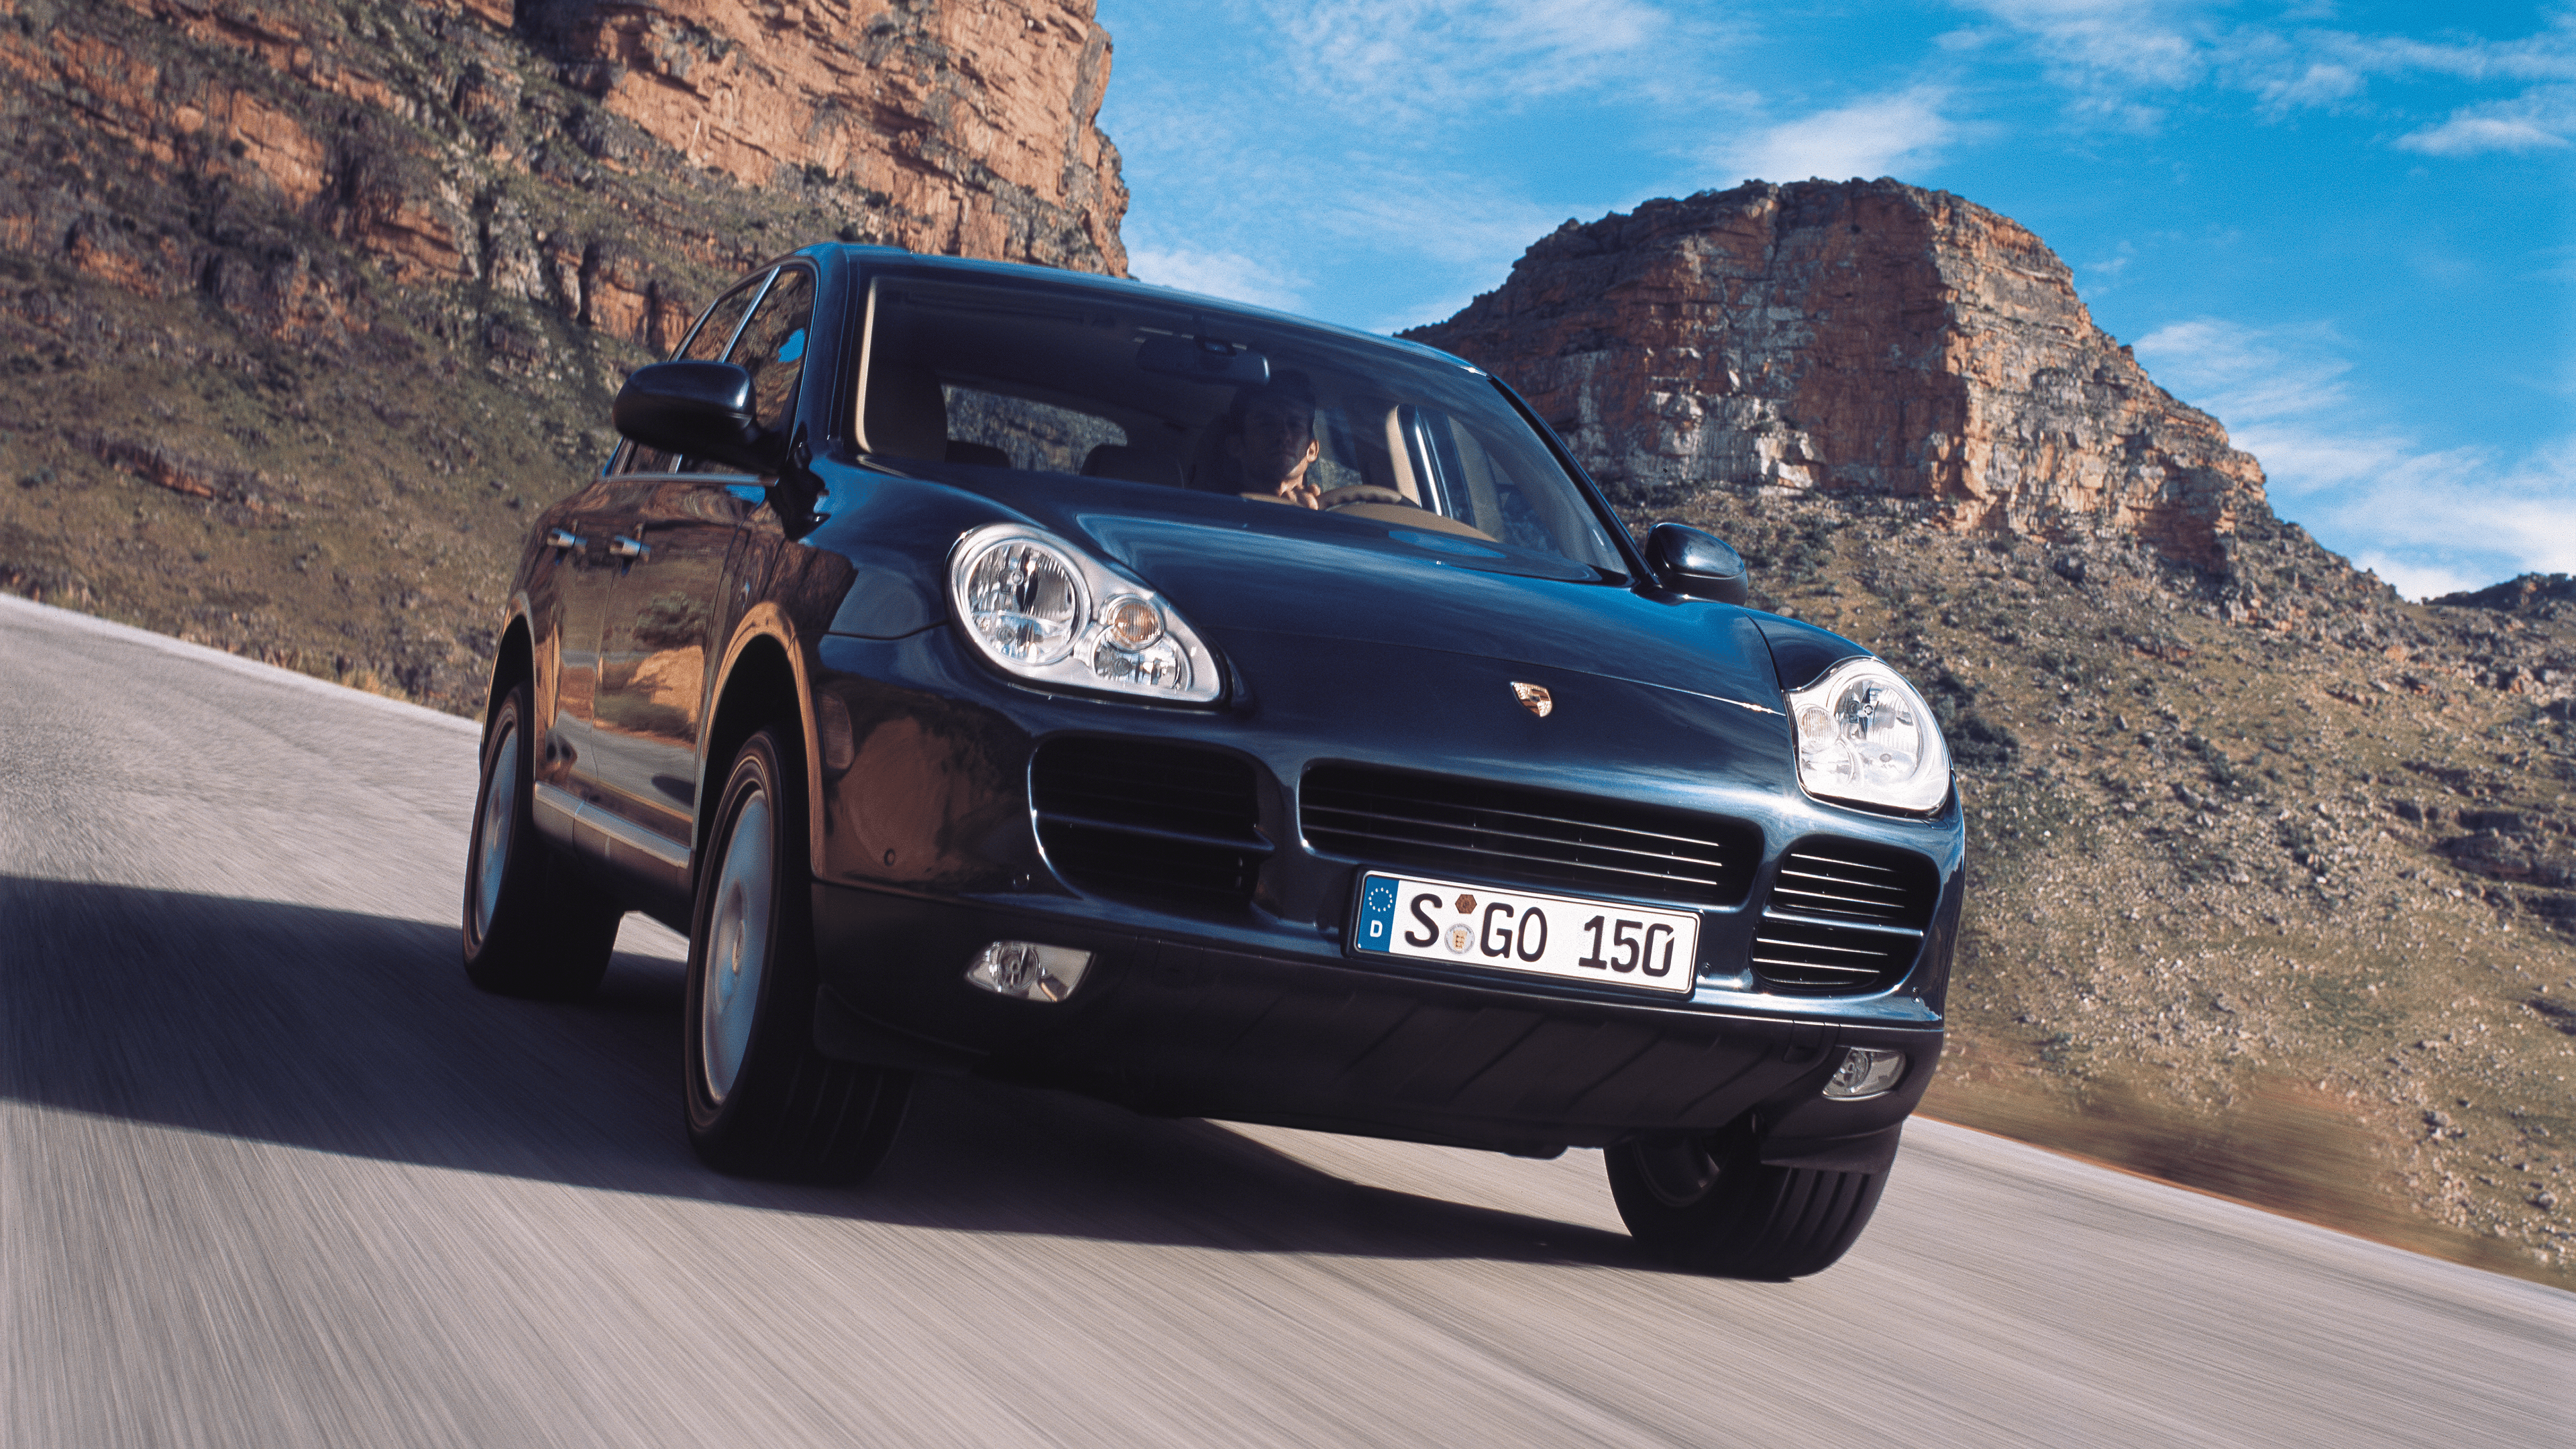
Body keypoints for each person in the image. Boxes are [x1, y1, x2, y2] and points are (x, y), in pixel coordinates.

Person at [1218, 372, 1323, 507]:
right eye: (1267, 425)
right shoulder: (1212, 519)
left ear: (1312, 450)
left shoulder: (1337, 517)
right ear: (1236, 446)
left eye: (1295, 425)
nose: (1284, 436)